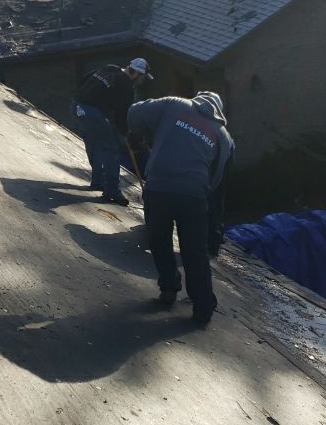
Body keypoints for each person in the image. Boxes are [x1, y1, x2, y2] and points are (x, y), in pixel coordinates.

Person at [127, 91, 234, 326]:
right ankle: (203, 308)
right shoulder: (223, 136)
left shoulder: (174, 105)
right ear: (219, 110)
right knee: (194, 252)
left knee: (159, 241)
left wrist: (142, 134)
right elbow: (217, 178)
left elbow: (134, 112)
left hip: (158, 189)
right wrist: (200, 193)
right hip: (193, 197)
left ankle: (168, 289)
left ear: (198, 99)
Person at [73, 58, 152, 205]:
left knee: (94, 143)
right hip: (91, 112)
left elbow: (85, 78)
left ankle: (98, 181)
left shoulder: (110, 68)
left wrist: (90, 98)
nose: (142, 81)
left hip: (77, 105)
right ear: (137, 74)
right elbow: (121, 116)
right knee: (111, 149)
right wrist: (126, 133)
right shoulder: (127, 88)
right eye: (142, 78)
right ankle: (112, 192)